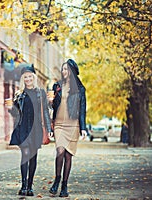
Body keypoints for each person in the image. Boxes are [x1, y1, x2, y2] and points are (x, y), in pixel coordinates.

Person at [7, 65, 52, 196]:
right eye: (25, 77)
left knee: (33, 156)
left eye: (29, 76)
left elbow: (45, 112)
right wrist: (10, 109)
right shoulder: (19, 94)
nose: (27, 79)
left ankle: (30, 185)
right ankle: (24, 185)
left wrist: (49, 129)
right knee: (25, 154)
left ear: (34, 77)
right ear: (22, 79)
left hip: (36, 128)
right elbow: (15, 114)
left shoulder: (41, 93)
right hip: (22, 128)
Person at [48, 59, 87, 197]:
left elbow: (82, 109)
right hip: (59, 124)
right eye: (63, 69)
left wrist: (83, 127)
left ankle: (64, 186)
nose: (64, 72)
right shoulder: (57, 86)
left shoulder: (80, 89)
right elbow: (52, 107)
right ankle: (57, 180)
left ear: (72, 71)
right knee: (60, 151)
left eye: (67, 69)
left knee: (68, 155)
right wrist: (50, 102)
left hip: (73, 125)